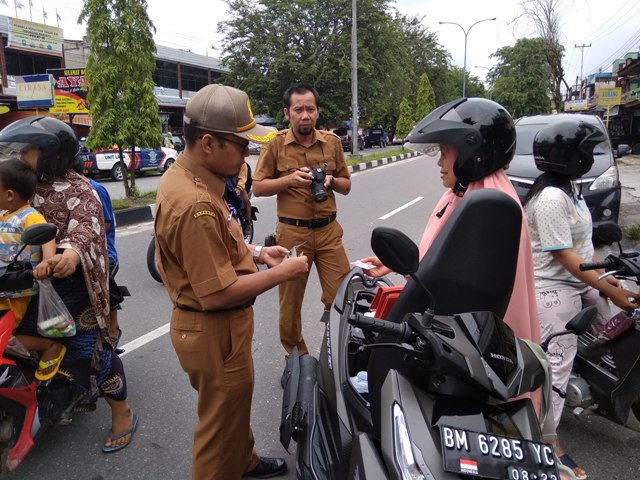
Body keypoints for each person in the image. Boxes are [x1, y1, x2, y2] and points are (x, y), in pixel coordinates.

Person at [154, 84, 309, 480]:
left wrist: (258, 255)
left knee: (234, 407)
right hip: (214, 329)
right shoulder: (196, 204)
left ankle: (244, 462)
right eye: (241, 146)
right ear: (208, 142)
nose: (247, 154)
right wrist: (282, 273)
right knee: (218, 428)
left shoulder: (197, 178)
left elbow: (220, 243)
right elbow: (216, 293)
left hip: (223, 332)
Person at [0, 116, 138, 453]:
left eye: (24, 150)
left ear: (50, 153)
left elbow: (87, 232)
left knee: (88, 352)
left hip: (71, 286)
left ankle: (122, 411)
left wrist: (70, 256)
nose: (16, 155)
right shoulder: (15, 184)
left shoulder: (81, 190)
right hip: (22, 285)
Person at [362, 97, 540, 344]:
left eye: (445, 153)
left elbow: (459, 284)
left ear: (471, 152)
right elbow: (444, 261)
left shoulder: (487, 208)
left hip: (475, 343)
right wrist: (399, 265)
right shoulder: (461, 195)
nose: (439, 162)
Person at [523, 118, 639, 480]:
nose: (591, 155)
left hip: (581, 282)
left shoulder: (569, 189)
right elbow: (565, 256)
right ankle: (547, 444)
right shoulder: (551, 198)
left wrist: (613, 280)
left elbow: (584, 248)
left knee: (622, 331)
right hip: (552, 288)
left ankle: (605, 392)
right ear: (572, 157)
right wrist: (614, 290)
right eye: (587, 151)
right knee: (555, 368)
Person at [252, 83, 352, 356]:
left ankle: (337, 354)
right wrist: (289, 180)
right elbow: (258, 187)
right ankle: (297, 358)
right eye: (298, 110)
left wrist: (330, 180)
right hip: (293, 235)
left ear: (317, 112)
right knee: (290, 304)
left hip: (329, 232)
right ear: (287, 113)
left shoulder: (331, 143)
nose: (305, 115)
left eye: (310, 109)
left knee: (341, 297)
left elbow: (346, 185)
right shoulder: (275, 144)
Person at [0, 158, 64, 381]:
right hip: (1, 286)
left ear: (9, 194)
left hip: (16, 289)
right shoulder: (2, 215)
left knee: (3, 336)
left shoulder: (29, 216)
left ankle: (49, 346)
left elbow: (47, 237)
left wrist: (48, 261)